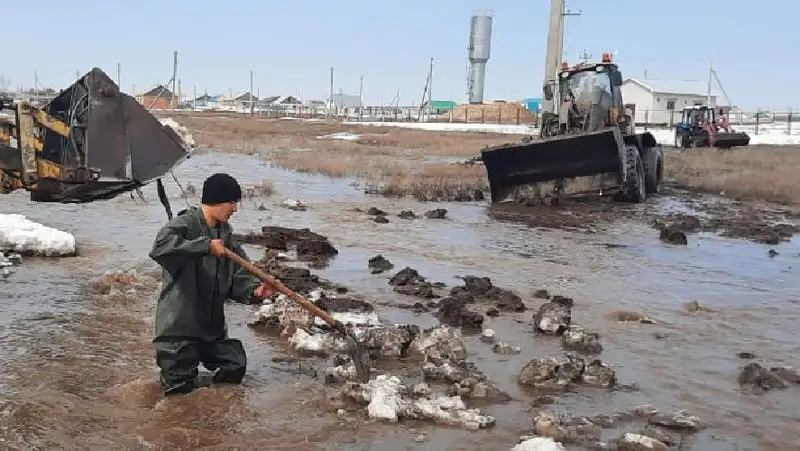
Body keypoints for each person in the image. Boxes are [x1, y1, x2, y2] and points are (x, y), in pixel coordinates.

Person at [149, 172, 276, 396]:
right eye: (231, 202)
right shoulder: (184, 224)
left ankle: (213, 416)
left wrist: (255, 290)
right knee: (179, 396)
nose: (235, 209)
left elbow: (239, 275)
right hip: (179, 331)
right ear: (216, 200)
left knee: (234, 363)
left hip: (211, 331)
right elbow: (160, 248)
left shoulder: (226, 236)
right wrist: (205, 246)